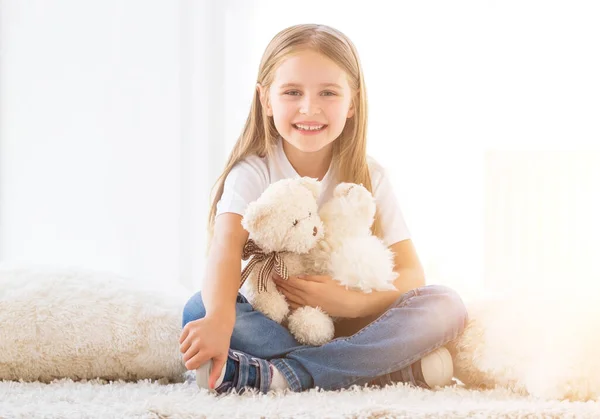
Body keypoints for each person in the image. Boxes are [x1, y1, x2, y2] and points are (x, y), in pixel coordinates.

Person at [179, 23, 468, 395]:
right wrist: (218, 319)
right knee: (197, 309)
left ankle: (283, 375)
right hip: (276, 322)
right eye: (292, 92)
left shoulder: (370, 175)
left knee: (446, 304)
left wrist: (350, 302)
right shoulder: (251, 171)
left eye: (328, 93)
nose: (309, 108)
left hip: (356, 323)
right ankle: (375, 370)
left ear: (352, 103)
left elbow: (412, 273)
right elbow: (224, 249)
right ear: (266, 100)